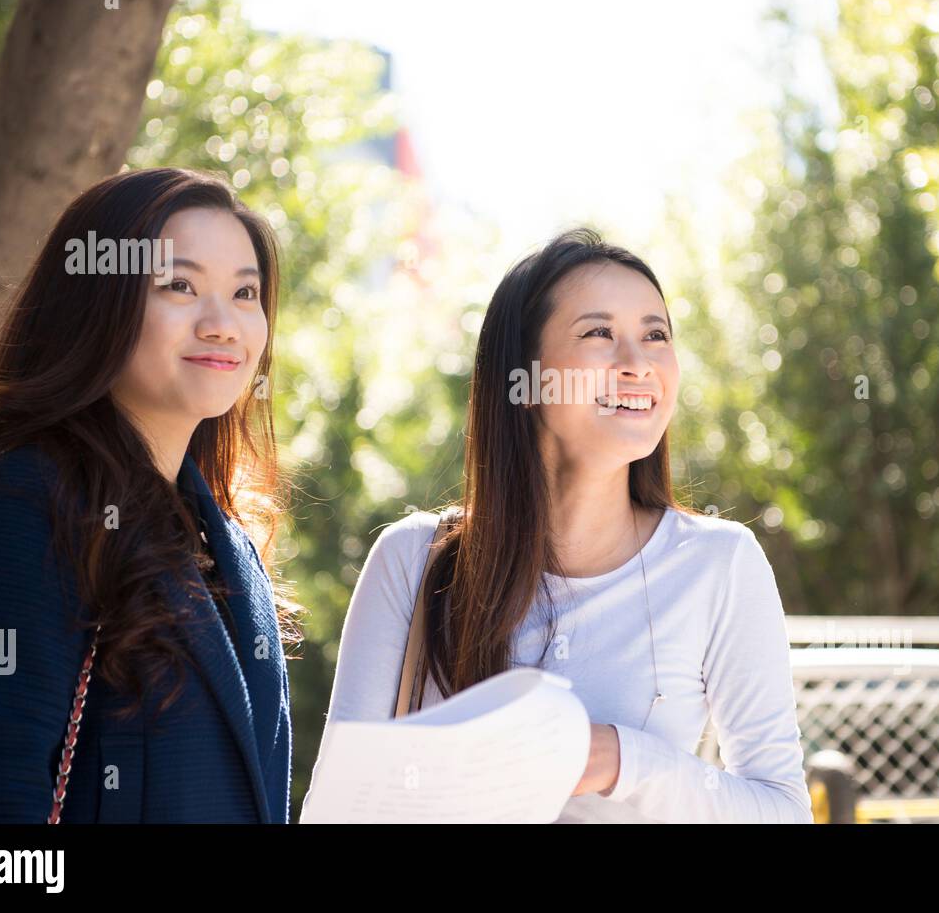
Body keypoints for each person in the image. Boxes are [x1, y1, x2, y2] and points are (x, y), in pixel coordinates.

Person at [312, 228, 812, 822]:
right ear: (523, 375)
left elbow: (782, 810)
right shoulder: (412, 559)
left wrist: (620, 760)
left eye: (656, 336)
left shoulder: (721, 563)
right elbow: (335, 812)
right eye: (599, 333)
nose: (638, 363)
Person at [0, 167, 297, 822]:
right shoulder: (21, 503)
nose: (223, 324)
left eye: (245, 292)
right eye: (180, 285)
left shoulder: (231, 546)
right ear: (98, 303)